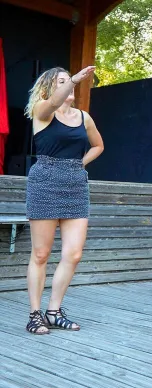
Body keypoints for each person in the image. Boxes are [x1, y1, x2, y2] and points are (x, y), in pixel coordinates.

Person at [24, 66, 103, 335]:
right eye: (62, 81)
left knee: (74, 253)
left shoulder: (84, 117)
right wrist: (75, 80)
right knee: (41, 253)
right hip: (45, 181)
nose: (68, 85)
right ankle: (35, 314)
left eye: (68, 81)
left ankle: (54, 311)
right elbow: (56, 100)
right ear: (49, 88)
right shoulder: (42, 111)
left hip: (75, 185)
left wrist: (80, 164)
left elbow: (98, 145)